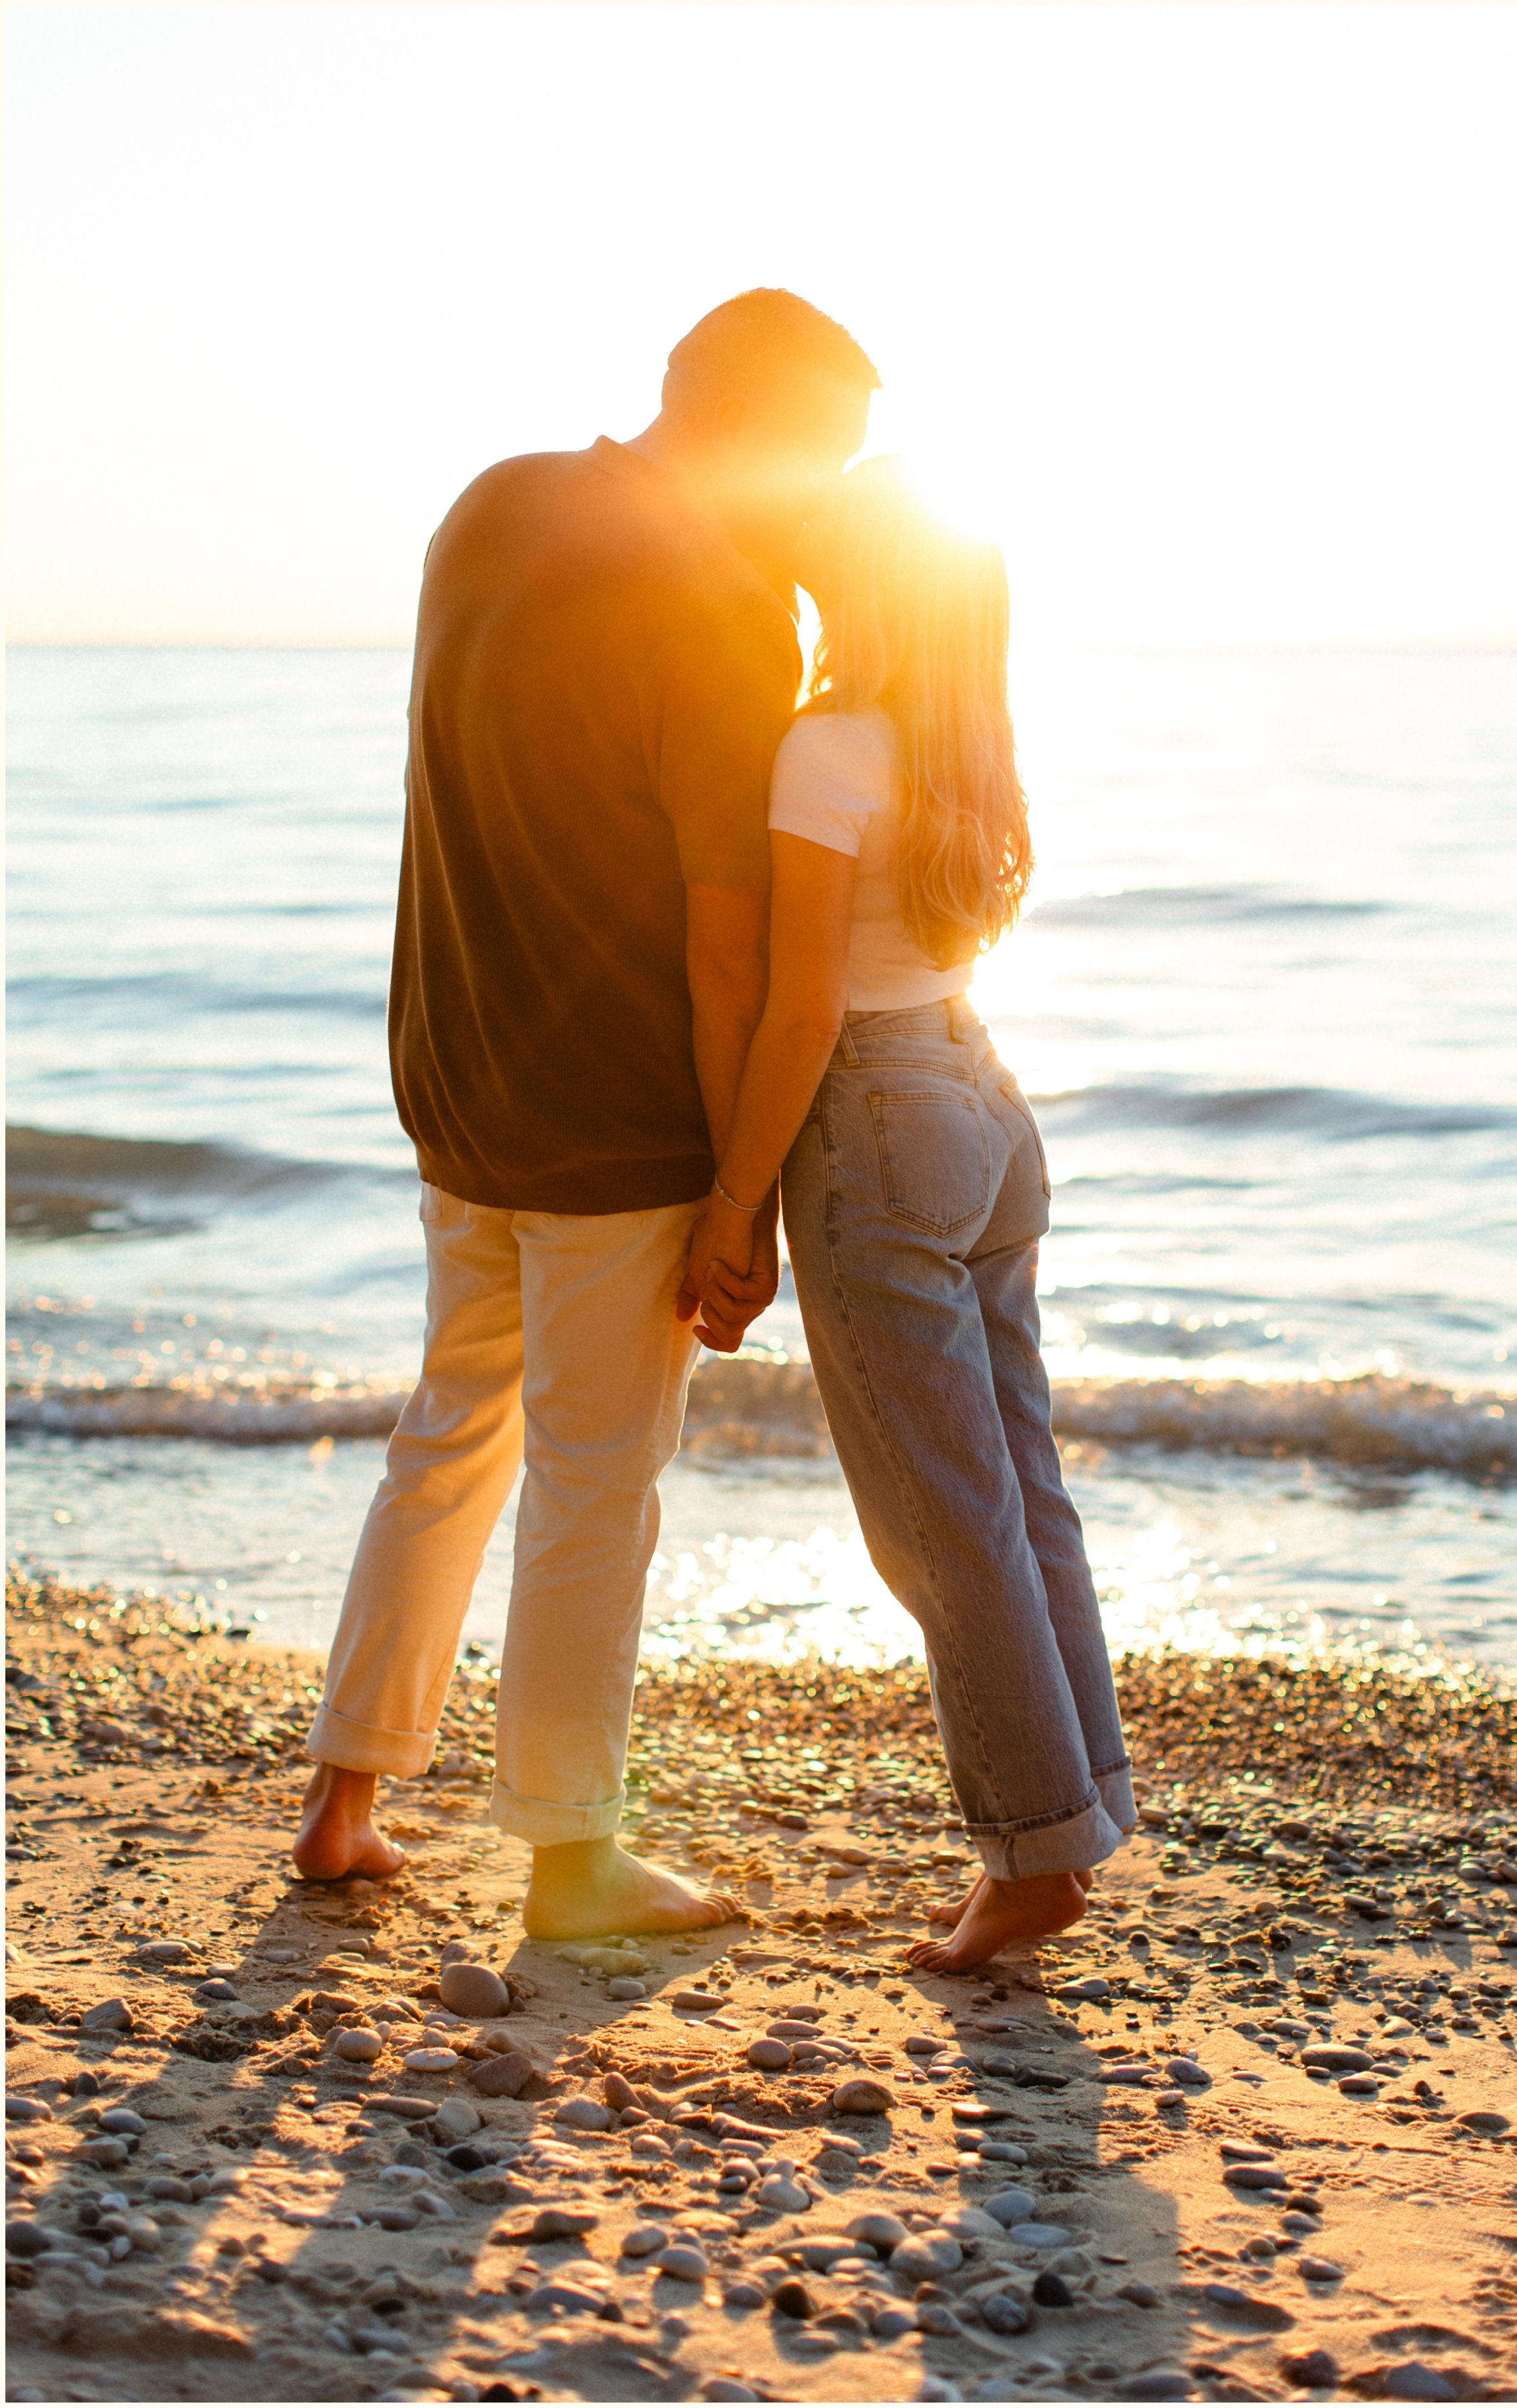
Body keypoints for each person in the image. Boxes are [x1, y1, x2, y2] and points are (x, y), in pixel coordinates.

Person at [295, 292, 878, 1940]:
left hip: (460, 1075)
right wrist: (738, 1192)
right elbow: (721, 942)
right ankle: (574, 1859)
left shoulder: (490, 502)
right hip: (615, 1115)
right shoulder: (720, 604)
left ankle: (346, 1798)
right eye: (819, 458)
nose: (823, 496)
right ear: (760, 433)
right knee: (595, 1483)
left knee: (449, 1436)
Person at [678, 458, 1135, 1971]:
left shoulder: (826, 744)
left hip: (875, 1120)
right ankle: (1079, 1804)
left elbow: (803, 1003)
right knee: (1018, 1480)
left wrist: (734, 1204)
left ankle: (1029, 1855)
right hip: (979, 1101)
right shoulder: (964, 735)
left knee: (944, 1522)